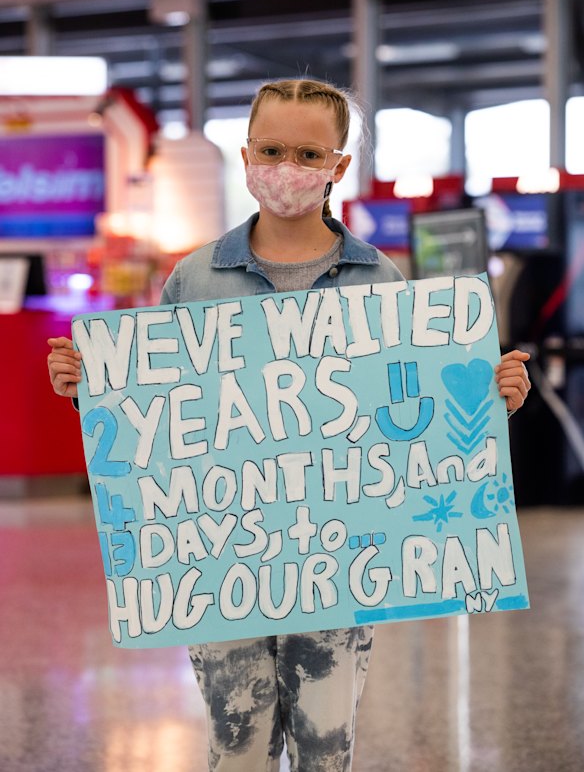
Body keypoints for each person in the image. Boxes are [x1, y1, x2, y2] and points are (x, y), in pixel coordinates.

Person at [47, 78, 531, 772]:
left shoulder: (378, 281)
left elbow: (415, 416)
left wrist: (490, 402)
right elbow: (156, 411)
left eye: (308, 154)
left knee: (325, 747)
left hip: (342, 558)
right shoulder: (195, 279)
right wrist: (90, 389)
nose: (286, 168)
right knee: (236, 746)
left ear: (339, 166)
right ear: (246, 156)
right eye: (271, 150)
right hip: (221, 558)